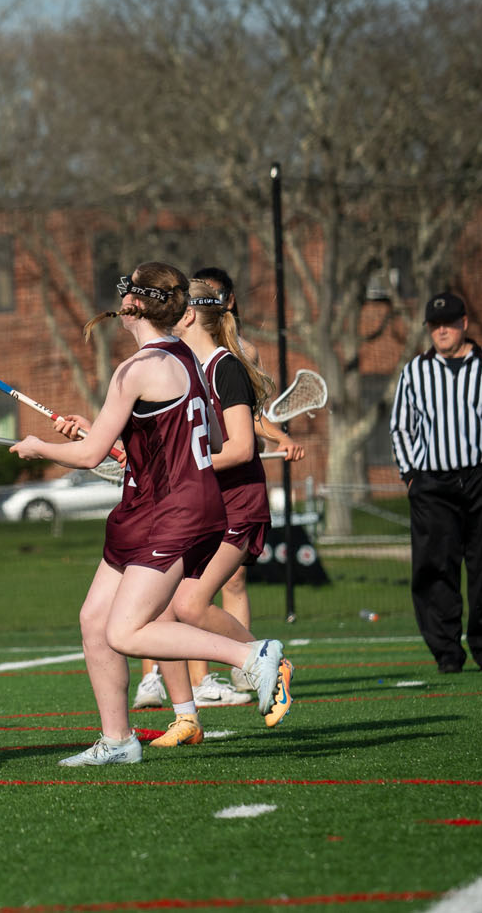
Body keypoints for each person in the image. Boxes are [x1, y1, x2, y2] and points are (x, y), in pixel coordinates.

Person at [14, 263, 293, 767]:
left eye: (126, 289)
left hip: (171, 511)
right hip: (149, 507)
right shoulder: (186, 357)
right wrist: (112, 433)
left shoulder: (135, 369)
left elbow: (89, 455)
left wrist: (39, 449)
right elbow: (184, 436)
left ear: (134, 306)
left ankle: (251, 655)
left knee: (125, 631)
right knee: (94, 620)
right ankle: (118, 740)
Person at [141, 276, 307, 748]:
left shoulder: (224, 368)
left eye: (175, 305)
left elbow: (239, 449)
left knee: (190, 604)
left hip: (237, 503)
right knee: (156, 608)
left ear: (190, 314)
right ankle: (186, 717)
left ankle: (264, 657)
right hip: (201, 505)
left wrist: (180, 467)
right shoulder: (184, 368)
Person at [390, 291, 482, 674]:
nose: (441, 331)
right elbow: (401, 427)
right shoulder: (415, 371)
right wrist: (410, 475)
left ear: (464, 324)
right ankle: (446, 652)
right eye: (434, 325)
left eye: (448, 324)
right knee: (434, 567)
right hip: (432, 482)